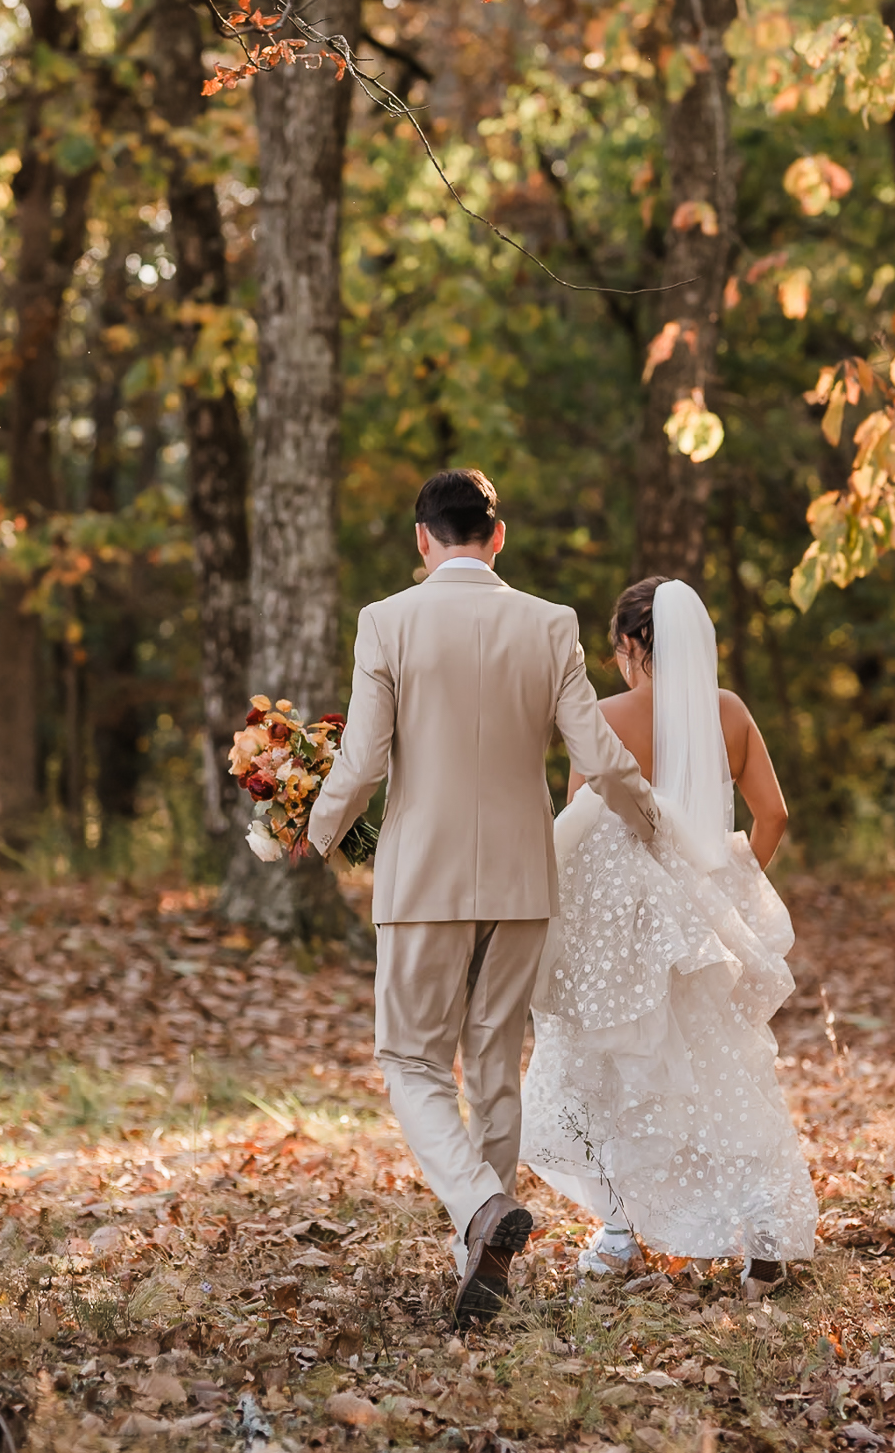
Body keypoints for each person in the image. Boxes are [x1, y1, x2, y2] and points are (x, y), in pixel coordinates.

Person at [306, 470, 661, 1325]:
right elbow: (602, 755)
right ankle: (485, 1255)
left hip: (423, 875)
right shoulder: (549, 624)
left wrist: (314, 832)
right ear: (497, 538)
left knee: (411, 1062)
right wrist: (657, 825)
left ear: (421, 540)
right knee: (496, 1063)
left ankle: (479, 1210)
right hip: (521, 875)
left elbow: (360, 763)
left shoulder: (386, 622)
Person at [520, 575, 817, 1300]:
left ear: (628, 645)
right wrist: (729, 883)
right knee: (722, 1068)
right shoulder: (730, 713)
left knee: (607, 1069)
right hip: (702, 921)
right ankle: (766, 1239)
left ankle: (620, 1234)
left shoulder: (603, 715)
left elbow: (578, 826)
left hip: (623, 927)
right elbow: (772, 815)